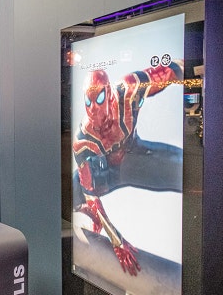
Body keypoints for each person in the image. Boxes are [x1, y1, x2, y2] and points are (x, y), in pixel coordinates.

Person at [72, 62, 184, 276]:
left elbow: (172, 70)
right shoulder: (83, 140)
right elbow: (89, 195)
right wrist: (117, 240)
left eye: (100, 100)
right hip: (104, 171)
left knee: (186, 170)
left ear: (110, 95)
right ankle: (92, 218)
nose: (95, 109)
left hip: (135, 158)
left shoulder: (129, 90)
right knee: (72, 191)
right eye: (89, 102)